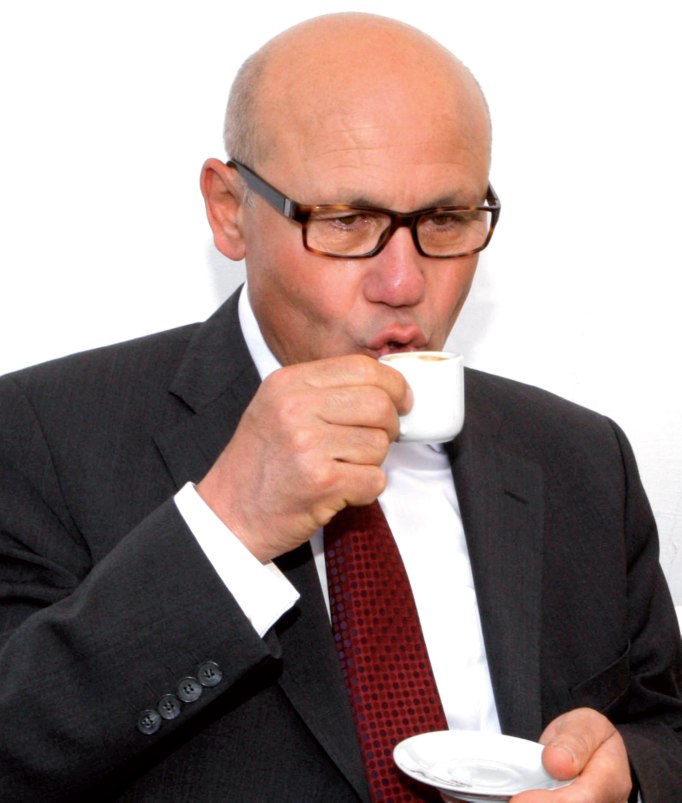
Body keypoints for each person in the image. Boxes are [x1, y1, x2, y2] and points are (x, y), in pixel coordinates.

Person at [0, 12, 680, 803]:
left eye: (445, 220)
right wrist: (226, 530)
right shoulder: (42, 435)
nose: (404, 283)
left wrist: (628, 777)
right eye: (348, 221)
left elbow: (662, 724)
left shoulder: (582, 456)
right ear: (229, 208)